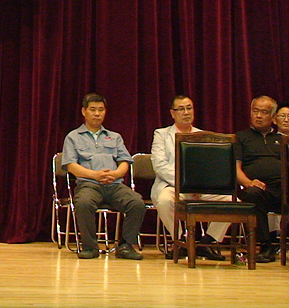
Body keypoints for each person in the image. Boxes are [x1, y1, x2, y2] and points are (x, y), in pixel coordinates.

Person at [61, 93, 145, 260]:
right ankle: (90, 247)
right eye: (93, 109)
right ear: (84, 111)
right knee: (83, 203)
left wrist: (115, 174)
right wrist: (95, 175)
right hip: (88, 184)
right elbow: (71, 166)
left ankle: (125, 246)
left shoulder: (115, 136)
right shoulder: (73, 137)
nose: (97, 114)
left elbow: (125, 161)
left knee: (137, 203)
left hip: (114, 185)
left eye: (101, 110)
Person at [150, 95, 227, 260]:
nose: (186, 112)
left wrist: (199, 186)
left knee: (230, 201)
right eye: (181, 109)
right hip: (173, 185)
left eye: (189, 108)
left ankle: (206, 243)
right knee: (164, 201)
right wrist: (186, 184)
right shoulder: (162, 134)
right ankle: (181, 242)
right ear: (172, 113)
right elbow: (160, 166)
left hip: (201, 188)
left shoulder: (203, 135)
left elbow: (210, 167)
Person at [235, 95, 282, 263]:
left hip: (282, 188)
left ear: (273, 117)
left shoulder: (281, 139)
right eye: (255, 111)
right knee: (252, 194)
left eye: (264, 112)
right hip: (257, 189)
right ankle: (266, 246)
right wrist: (249, 183)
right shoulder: (241, 137)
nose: (259, 116)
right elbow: (235, 169)